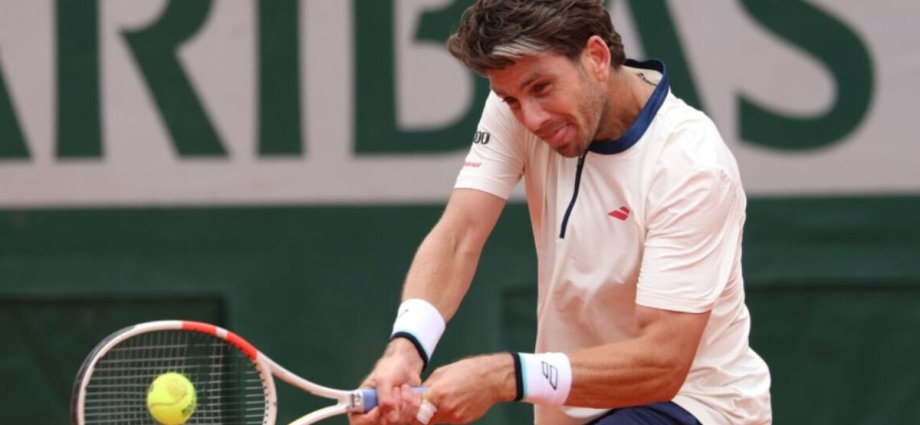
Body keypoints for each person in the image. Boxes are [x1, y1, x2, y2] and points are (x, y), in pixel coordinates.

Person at [349, 0, 772, 424]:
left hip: (694, 404)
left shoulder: (692, 165)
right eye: (511, 100)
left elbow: (662, 362)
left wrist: (502, 377)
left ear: (597, 57)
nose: (531, 118)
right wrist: (405, 350)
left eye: (542, 88)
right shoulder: (516, 104)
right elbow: (459, 235)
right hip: (574, 404)